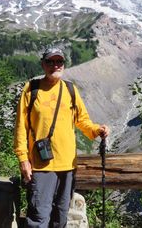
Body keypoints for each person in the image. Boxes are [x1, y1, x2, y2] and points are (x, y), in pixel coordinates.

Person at [14, 47, 109, 228]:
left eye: (59, 62)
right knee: (38, 217)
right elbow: (20, 127)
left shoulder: (70, 89)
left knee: (61, 216)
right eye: (50, 62)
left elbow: (82, 121)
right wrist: (23, 159)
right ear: (43, 64)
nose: (55, 65)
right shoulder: (31, 89)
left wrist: (97, 130)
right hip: (41, 165)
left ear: (64, 65)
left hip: (68, 165)